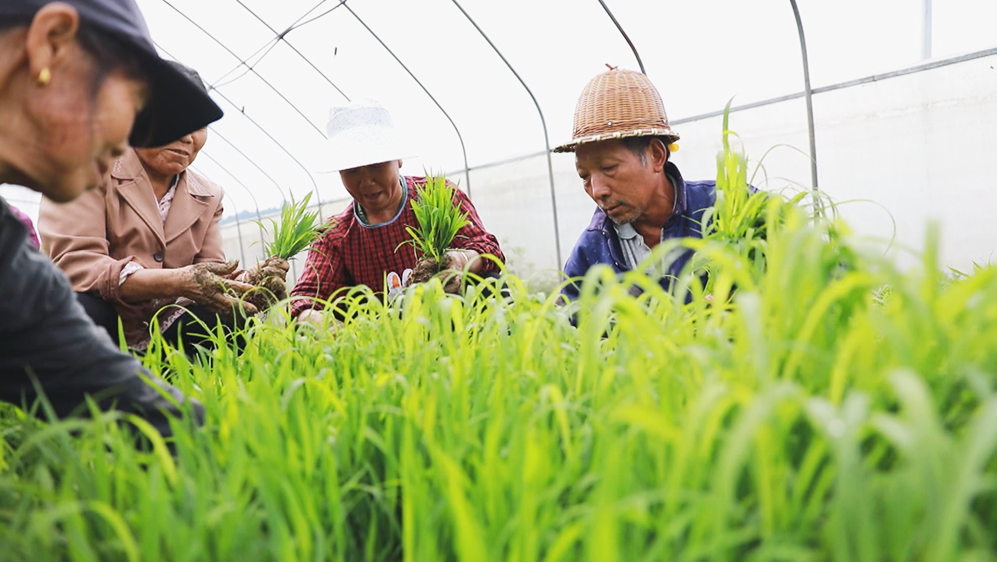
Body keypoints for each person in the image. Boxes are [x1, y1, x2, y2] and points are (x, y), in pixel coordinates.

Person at [0, 0, 228, 435]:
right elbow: (75, 271)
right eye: (134, 104)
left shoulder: (7, 262)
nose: (135, 138)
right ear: (50, 46)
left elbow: (75, 362)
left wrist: (221, 446)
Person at [37, 61, 288, 356]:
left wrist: (249, 283)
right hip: (100, 327)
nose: (187, 136)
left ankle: (184, 392)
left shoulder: (208, 196)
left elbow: (210, 276)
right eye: (176, 118)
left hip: (164, 331)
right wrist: (175, 282)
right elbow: (77, 265)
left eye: (200, 125)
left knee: (225, 320)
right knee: (87, 310)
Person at [290, 99, 505, 323]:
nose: (366, 181)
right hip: (384, 347)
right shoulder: (334, 236)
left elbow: (488, 249)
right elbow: (305, 297)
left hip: (455, 325)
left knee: (492, 283)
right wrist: (312, 319)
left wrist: (459, 260)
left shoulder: (439, 197)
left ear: (398, 159)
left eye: (375, 165)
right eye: (352, 171)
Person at [555, 68, 718, 301]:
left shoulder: (722, 209)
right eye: (585, 176)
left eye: (609, 168)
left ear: (656, 155)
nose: (597, 191)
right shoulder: (590, 253)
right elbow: (566, 327)